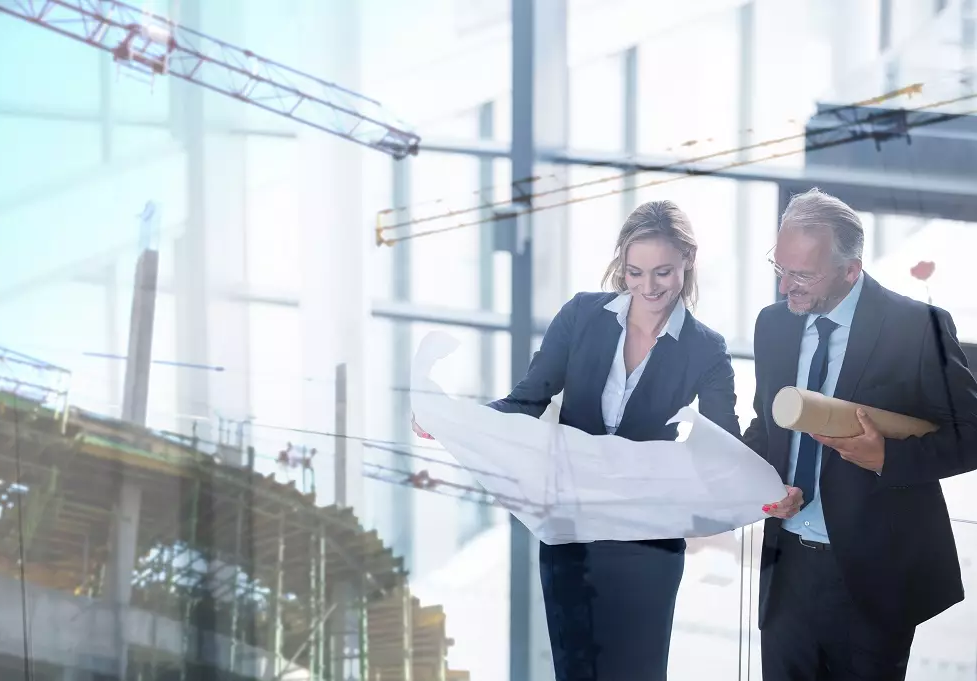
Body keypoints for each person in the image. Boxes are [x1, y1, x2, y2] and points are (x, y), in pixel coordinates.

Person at [414, 200, 741, 681]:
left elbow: (723, 446)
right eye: (635, 272)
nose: (648, 287)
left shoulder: (705, 349)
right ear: (621, 266)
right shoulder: (582, 316)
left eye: (663, 272)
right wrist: (453, 421)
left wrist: (764, 489)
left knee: (639, 672)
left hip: (646, 541)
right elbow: (526, 400)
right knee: (575, 670)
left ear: (688, 262)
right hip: (570, 531)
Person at [743, 187, 977, 681]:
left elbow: (971, 432)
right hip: (785, 573)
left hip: (873, 579)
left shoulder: (917, 328)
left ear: (852, 269)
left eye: (803, 274)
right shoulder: (773, 325)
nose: (786, 288)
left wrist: (885, 457)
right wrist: (745, 480)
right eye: (780, 268)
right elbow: (767, 425)